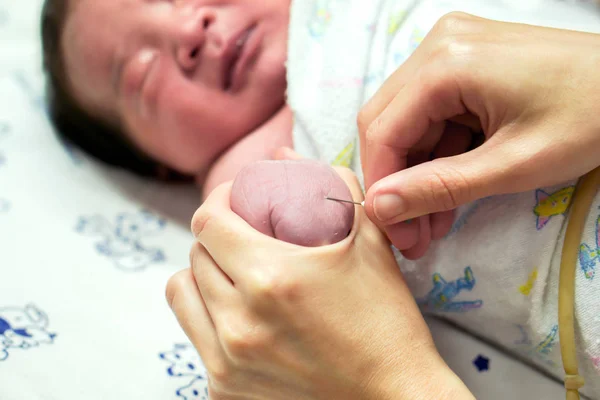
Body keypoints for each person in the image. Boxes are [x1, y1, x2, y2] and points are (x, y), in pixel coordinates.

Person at [41, 0, 600, 398]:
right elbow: (282, 263)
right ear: (160, 167)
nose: (190, 28)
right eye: (141, 74)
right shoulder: (245, 167)